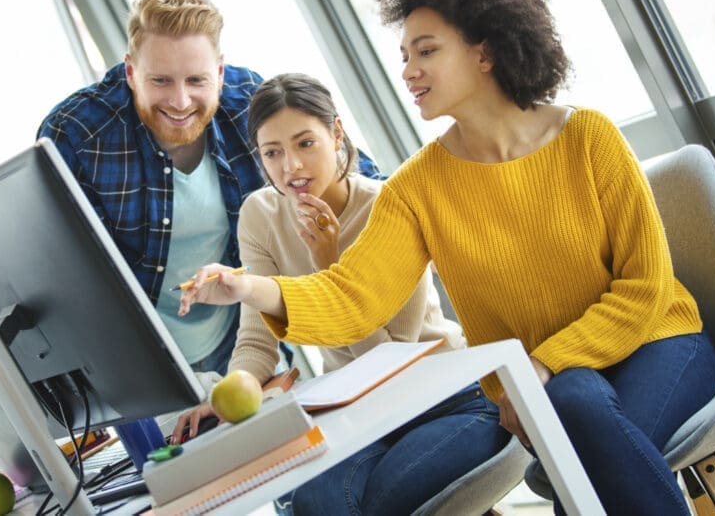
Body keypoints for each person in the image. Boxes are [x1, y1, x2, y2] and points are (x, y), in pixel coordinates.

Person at [178, 0, 715, 514]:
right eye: (405, 54)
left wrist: (541, 363)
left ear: (485, 51)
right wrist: (248, 287)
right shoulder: (419, 186)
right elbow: (355, 295)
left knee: (575, 420)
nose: (408, 71)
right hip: (552, 384)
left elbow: (645, 286)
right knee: (575, 413)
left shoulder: (589, 137)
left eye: (426, 51)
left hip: (658, 342)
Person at [172, 73, 508, 514]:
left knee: (383, 502)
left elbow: (392, 360)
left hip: (445, 396)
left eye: (305, 143)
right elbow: (257, 338)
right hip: (361, 413)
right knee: (315, 501)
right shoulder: (260, 214)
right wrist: (227, 395)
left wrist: (329, 264)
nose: (290, 167)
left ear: (335, 133)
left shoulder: (386, 205)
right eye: (273, 152)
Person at [37, 0, 380, 375]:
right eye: (161, 81)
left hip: (239, 338)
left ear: (219, 71)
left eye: (197, 80)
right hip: (133, 359)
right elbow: (64, 272)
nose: (181, 101)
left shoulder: (249, 102)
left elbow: (360, 181)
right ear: (131, 72)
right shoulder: (77, 135)